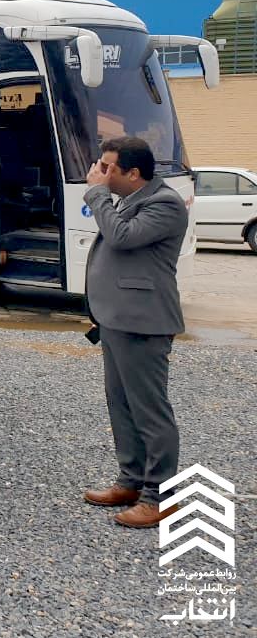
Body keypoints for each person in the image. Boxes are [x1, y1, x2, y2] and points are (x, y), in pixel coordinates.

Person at [81, 136, 188, 528]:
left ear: (134, 173)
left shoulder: (165, 204)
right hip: (116, 320)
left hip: (144, 323)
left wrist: (96, 195)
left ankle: (160, 495)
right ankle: (131, 480)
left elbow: (122, 237)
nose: (100, 172)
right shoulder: (128, 199)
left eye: (108, 168)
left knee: (149, 411)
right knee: (121, 404)